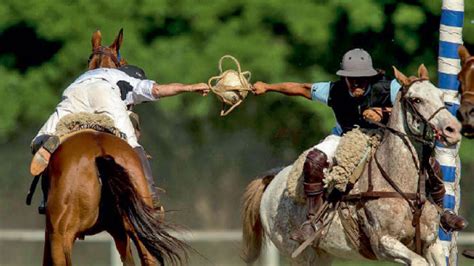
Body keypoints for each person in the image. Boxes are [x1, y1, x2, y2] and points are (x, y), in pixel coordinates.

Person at [252, 48, 467, 243]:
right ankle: (312, 220)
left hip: (385, 136)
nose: (357, 84)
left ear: (371, 76)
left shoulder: (389, 88)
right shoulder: (333, 90)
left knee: (427, 161)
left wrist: (383, 112)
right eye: (351, 80)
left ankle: (443, 212)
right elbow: (300, 88)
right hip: (345, 137)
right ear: (344, 78)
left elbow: (411, 105)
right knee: (314, 160)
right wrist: (268, 87)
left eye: (362, 80)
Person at [30, 65, 209, 212]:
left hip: (73, 92)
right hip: (104, 93)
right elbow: (157, 90)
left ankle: (47, 195)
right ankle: (150, 195)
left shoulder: (95, 73)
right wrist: (189, 87)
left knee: (42, 137)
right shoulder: (131, 81)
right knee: (131, 143)